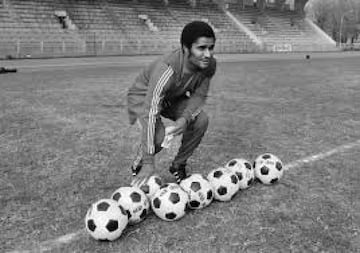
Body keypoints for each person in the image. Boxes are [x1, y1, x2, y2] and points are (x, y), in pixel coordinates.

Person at [127, 21, 217, 187]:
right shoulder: (166, 70)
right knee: (159, 137)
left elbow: (198, 96)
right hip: (143, 97)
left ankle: (178, 165)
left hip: (173, 97)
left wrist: (184, 119)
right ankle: (140, 162)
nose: (208, 54)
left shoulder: (209, 65)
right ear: (185, 48)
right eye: (201, 48)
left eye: (210, 48)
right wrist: (149, 161)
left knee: (201, 120)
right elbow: (150, 113)